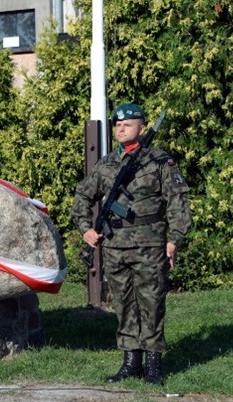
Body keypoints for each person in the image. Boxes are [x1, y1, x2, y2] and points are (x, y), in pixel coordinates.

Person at [71, 103, 192, 385]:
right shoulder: (106, 164)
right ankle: (131, 362)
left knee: (151, 302)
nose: (121, 128)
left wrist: (174, 239)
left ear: (142, 127)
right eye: (117, 124)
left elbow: (177, 201)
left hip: (150, 245)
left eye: (127, 124)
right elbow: (83, 196)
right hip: (115, 246)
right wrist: (85, 228)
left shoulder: (159, 161)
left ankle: (153, 364)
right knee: (123, 303)